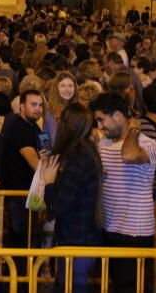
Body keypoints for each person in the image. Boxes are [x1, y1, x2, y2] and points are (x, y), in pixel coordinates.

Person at [91, 92, 156, 293]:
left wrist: (134, 130)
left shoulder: (147, 144)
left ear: (119, 116)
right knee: (114, 284)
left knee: (130, 286)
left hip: (135, 230)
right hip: (109, 226)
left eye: (101, 119)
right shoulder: (103, 143)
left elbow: (129, 155)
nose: (100, 126)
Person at [39, 103, 102, 293]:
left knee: (72, 286)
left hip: (77, 239)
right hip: (80, 236)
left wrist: (49, 183)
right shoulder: (87, 153)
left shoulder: (78, 159)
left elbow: (58, 206)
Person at [0, 89, 44, 252]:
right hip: (18, 194)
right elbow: (34, 161)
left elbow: (46, 150)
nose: (38, 109)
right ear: (22, 107)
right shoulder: (19, 127)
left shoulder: (35, 127)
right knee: (21, 239)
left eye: (40, 105)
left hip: (31, 193)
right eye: (33, 104)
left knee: (31, 237)